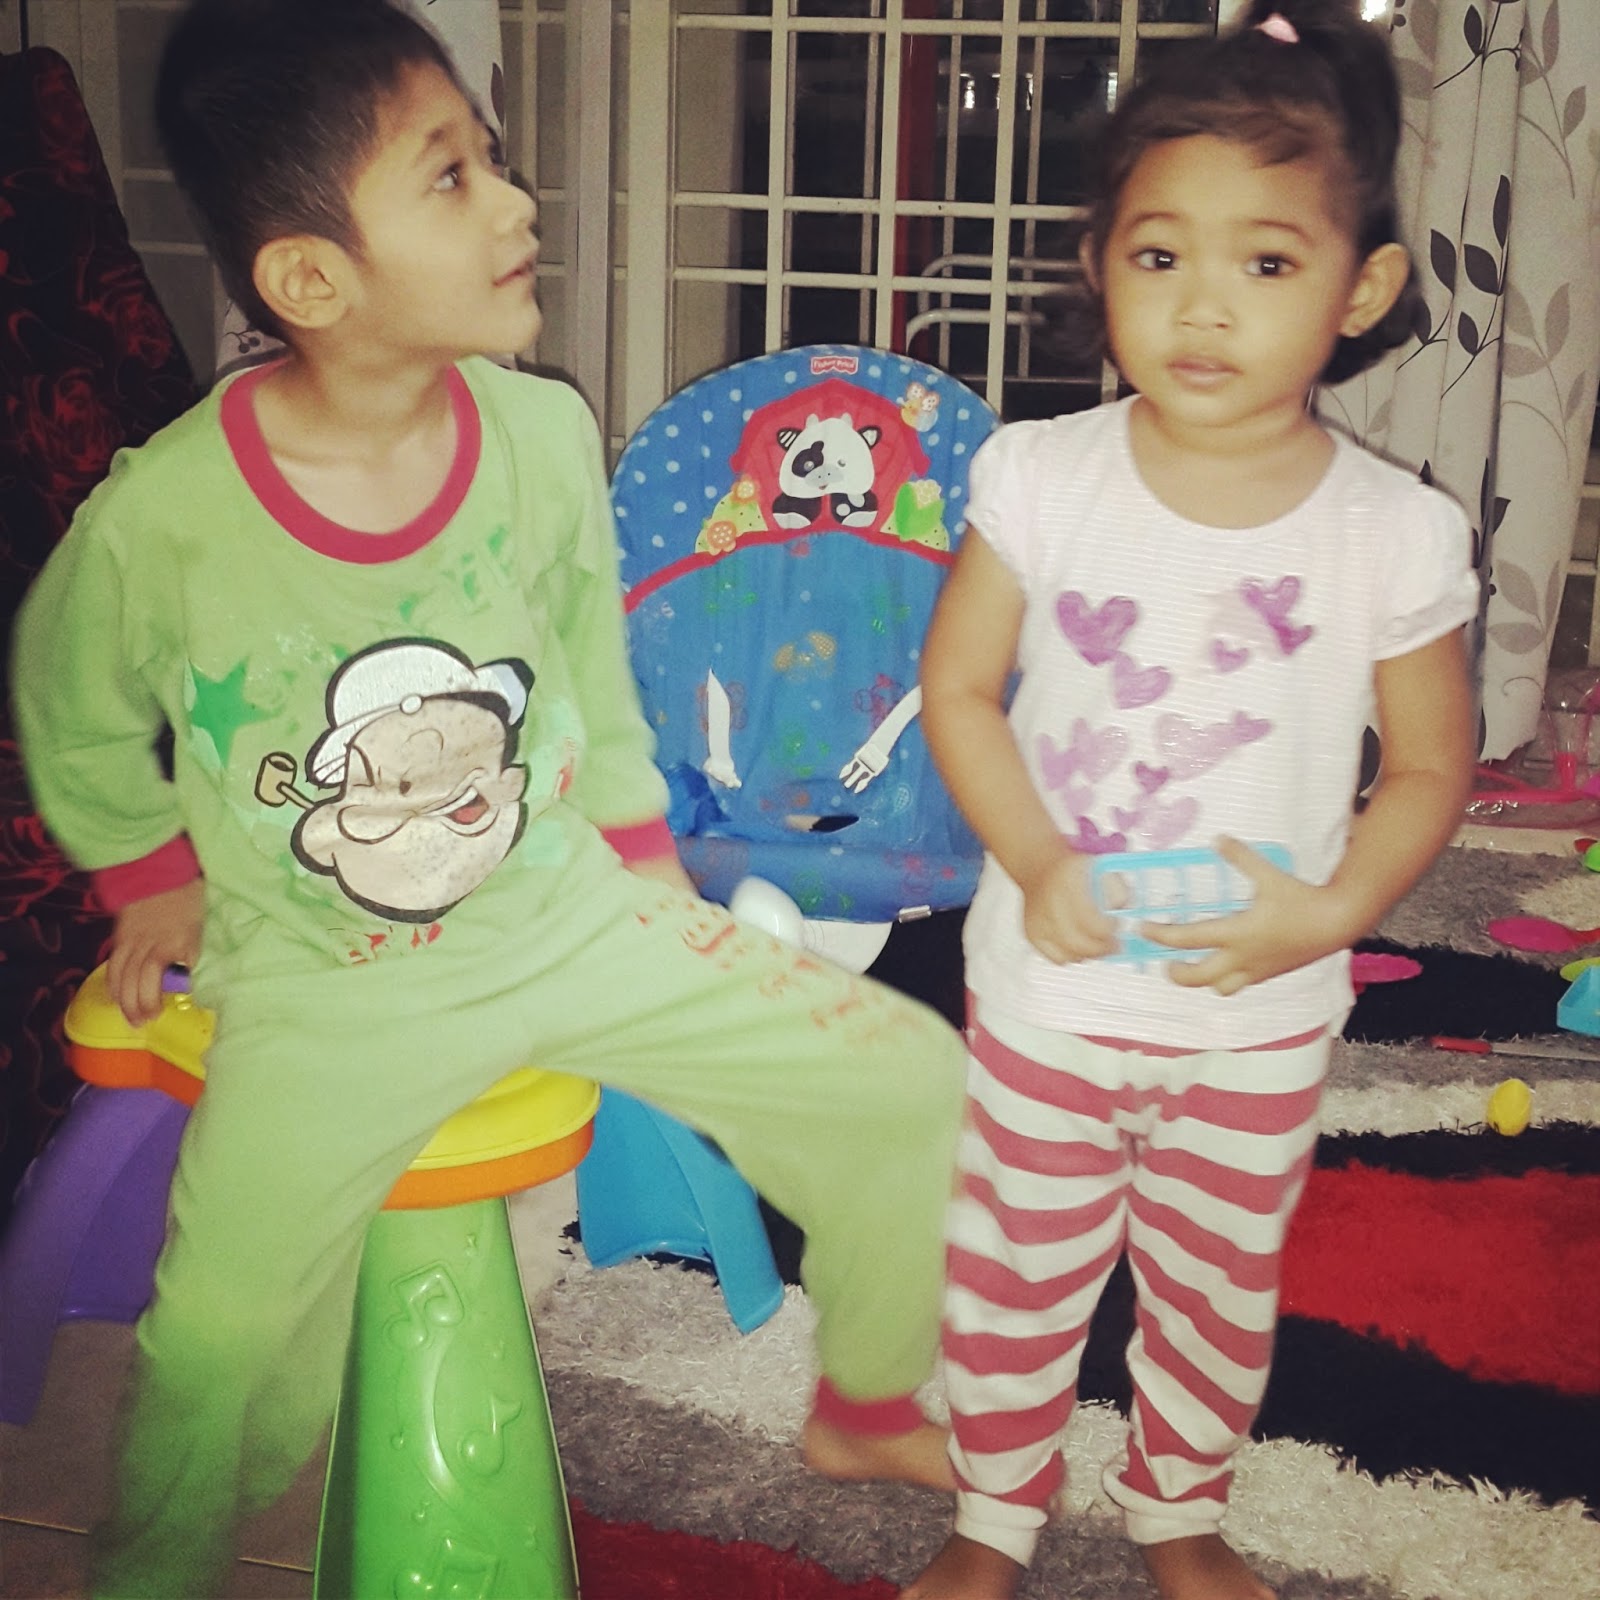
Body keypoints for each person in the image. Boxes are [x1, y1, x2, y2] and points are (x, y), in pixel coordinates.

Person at [10, 2, 966, 1593]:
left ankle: (866, 1399)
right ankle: (153, 1572)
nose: (517, 203)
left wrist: (647, 867)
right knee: (219, 1339)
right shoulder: (164, 516)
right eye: (452, 176)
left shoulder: (541, 433)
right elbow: (68, 694)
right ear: (312, 279)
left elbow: (590, 676)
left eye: (496, 159)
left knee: (906, 1080)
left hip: (565, 916)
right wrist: (149, 869)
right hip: (327, 983)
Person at [905, 4, 1478, 1598]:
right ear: (1100, 263)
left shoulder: (1392, 534)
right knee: (1014, 1270)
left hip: (1256, 1011)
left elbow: (1432, 765)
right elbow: (960, 692)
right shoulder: (1041, 479)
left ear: (1361, 288)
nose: (1205, 305)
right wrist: (1036, 859)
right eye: (1160, 255)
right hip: (1053, 993)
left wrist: (1335, 911)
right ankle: (993, 1511)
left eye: (1268, 262)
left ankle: (1178, 1507)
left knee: (1217, 1283)